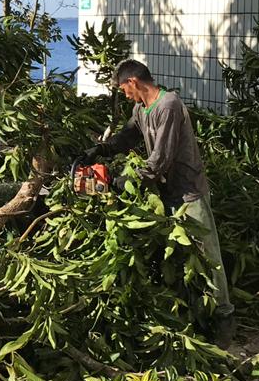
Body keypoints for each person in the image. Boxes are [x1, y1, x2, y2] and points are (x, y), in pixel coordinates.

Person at [78, 59, 235, 347]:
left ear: (133, 82)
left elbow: (160, 159)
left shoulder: (169, 105)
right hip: (166, 196)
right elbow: (127, 137)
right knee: (178, 262)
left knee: (207, 258)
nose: (124, 96)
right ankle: (195, 319)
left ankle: (224, 322)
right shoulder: (141, 109)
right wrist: (100, 150)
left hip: (189, 195)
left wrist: (124, 181)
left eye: (123, 89)